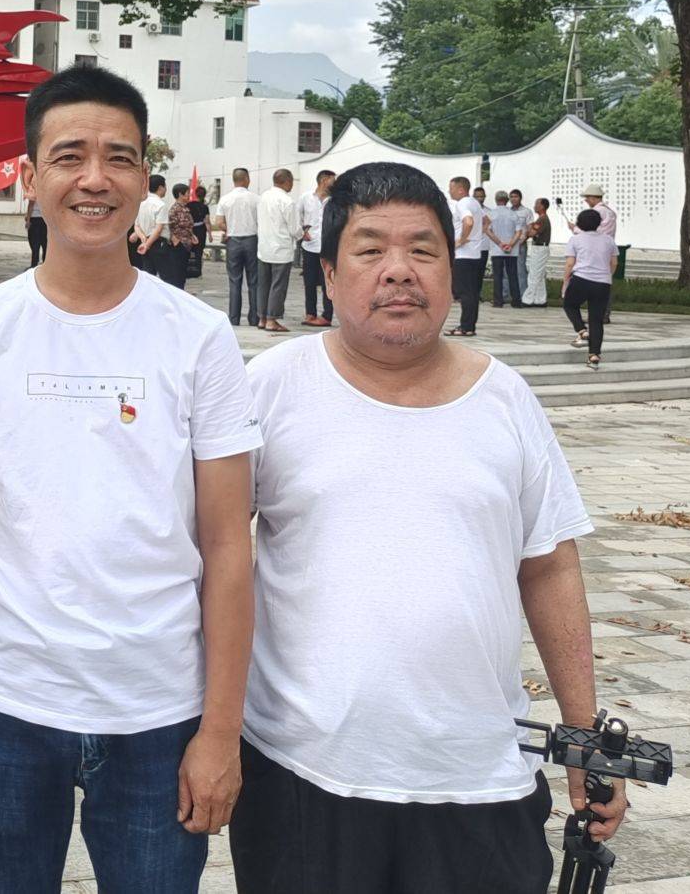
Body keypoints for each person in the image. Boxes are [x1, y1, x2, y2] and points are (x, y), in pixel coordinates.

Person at [0, 65, 259, 894]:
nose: (94, 179)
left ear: (144, 179)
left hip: (159, 713)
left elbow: (226, 543)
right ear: (30, 178)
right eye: (68, 157)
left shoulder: (198, 336)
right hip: (4, 706)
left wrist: (220, 730)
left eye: (118, 158)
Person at [231, 161, 618, 893]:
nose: (398, 272)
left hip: (477, 777)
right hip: (304, 775)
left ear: (452, 263)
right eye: (371, 250)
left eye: (423, 250)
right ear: (330, 269)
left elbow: (551, 567)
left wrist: (584, 738)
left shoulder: (505, 400)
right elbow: (215, 558)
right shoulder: (271, 389)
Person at [563, 208, 617, 366]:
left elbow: (570, 263)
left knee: (569, 304)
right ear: (598, 223)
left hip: (581, 278)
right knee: (596, 319)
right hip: (603, 283)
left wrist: (565, 280)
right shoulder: (608, 240)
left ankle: (581, 330)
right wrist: (607, 276)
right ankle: (594, 355)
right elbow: (614, 263)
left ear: (579, 223)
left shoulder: (575, 239)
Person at [215, 168, 261, 328]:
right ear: (247, 179)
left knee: (234, 281)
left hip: (233, 241)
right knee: (254, 281)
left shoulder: (225, 199)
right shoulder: (256, 199)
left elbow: (219, 222)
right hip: (251, 240)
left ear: (233, 180)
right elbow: (261, 221)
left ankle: (234, 318)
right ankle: (254, 317)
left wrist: (228, 229)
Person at [257, 168, 300, 334]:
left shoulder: (263, 197)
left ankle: (262, 317)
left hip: (264, 248)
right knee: (278, 286)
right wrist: (303, 233)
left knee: (264, 285)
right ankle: (272, 320)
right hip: (281, 249)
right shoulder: (287, 201)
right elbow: (294, 229)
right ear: (287, 181)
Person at [445, 176, 485, 337]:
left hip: (464, 255)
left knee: (464, 292)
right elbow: (487, 221)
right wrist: (476, 237)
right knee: (472, 292)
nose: (449, 191)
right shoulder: (475, 203)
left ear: (461, 189)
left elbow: (468, 222)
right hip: (475, 254)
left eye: (452, 188)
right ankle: (469, 326)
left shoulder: (463, 203)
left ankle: (466, 326)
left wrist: (461, 240)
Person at [299, 169, 335, 327]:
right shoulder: (305, 198)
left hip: (328, 247)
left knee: (328, 281)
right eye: (333, 179)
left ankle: (327, 315)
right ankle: (310, 314)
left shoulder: (335, 201)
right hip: (309, 247)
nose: (335, 182)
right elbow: (298, 217)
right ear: (324, 180)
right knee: (309, 282)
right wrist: (302, 231)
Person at [490, 188, 525, 309]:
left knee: (498, 276)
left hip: (496, 249)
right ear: (507, 200)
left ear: (496, 200)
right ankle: (516, 301)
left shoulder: (491, 214)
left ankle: (498, 301)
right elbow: (519, 232)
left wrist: (500, 243)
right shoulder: (513, 214)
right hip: (512, 250)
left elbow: (488, 231)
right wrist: (510, 244)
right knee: (512, 275)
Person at [133, 172, 171, 278]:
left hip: (144, 242)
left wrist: (144, 240)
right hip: (158, 243)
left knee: (148, 276)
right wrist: (148, 244)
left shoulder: (140, 203)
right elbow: (159, 229)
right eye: (165, 186)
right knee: (165, 276)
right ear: (160, 187)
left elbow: (137, 226)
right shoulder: (160, 205)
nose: (166, 189)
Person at [166, 180, 198, 290]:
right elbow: (168, 227)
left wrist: (192, 235)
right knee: (177, 276)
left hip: (186, 245)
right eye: (187, 193)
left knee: (182, 275)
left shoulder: (186, 208)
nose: (189, 195)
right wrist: (176, 241)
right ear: (180, 194)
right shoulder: (174, 209)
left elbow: (188, 225)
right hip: (178, 247)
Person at [524, 197, 554, 307]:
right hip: (540, 247)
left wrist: (528, 229)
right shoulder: (541, 219)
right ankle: (540, 299)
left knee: (534, 274)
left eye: (537, 204)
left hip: (540, 248)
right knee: (540, 276)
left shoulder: (542, 219)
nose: (534, 206)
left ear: (542, 206)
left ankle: (527, 299)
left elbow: (532, 233)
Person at [186, 183, 210, 280]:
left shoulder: (189, 205)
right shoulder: (205, 207)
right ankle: (198, 271)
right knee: (199, 252)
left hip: (190, 229)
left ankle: (188, 270)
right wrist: (210, 234)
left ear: (195, 194)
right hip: (201, 230)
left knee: (188, 250)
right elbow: (207, 221)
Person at [23, 182, 49, 266]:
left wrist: (28, 219)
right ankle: (45, 263)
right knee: (45, 242)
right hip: (45, 219)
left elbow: (31, 205)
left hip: (35, 218)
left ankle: (34, 264)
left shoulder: (33, 189)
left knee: (34, 242)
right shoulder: (48, 190)